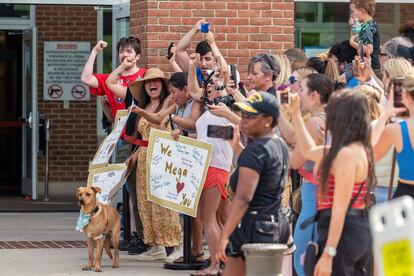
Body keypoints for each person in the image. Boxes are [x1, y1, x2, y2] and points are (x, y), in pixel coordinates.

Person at [287, 89, 375, 275]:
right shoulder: (348, 149)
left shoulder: (347, 154)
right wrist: (295, 113)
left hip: (345, 231)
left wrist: (329, 252)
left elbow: (340, 208)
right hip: (348, 228)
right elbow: (309, 150)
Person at [215, 92, 290, 276]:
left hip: (253, 227)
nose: (243, 120)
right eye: (243, 114)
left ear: (268, 120)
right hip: (272, 223)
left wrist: (224, 236)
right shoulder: (279, 144)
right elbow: (261, 171)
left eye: (250, 116)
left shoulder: (256, 150)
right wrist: (237, 147)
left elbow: (243, 198)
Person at [127, 68, 183, 261]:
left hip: (162, 156)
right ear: (144, 87)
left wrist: (140, 111)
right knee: (145, 203)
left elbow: (159, 120)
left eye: (157, 81)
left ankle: (176, 245)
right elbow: (142, 138)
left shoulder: (169, 102)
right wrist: (133, 157)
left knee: (165, 202)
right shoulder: (144, 106)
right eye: (149, 82)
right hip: (143, 158)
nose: (152, 85)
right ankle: (155, 245)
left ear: (163, 85)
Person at [187, 53, 234, 275]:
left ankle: (216, 265)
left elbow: (227, 137)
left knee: (208, 219)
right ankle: (225, 262)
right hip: (211, 166)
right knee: (220, 219)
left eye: (216, 86)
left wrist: (216, 59)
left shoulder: (226, 108)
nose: (211, 89)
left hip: (214, 168)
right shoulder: (214, 110)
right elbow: (212, 137)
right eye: (209, 87)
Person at [290, 74, 334, 276]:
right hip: (329, 196)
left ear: (314, 95)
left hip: (312, 199)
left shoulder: (314, 122)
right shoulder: (335, 119)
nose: (298, 94)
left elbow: (295, 161)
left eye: (302, 90)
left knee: (303, 259)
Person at [372, 68, 414, 199]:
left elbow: (370, 157)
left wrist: (384, 116)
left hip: (405, 198)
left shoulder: (396, 130)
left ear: (405, 95)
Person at [81, 37, 146, 117]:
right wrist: (95, 51)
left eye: (129, 51)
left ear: (137, 56)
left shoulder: (146, 75)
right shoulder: (110, 79)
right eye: (121, 51)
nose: (124, 54)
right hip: (120, 128)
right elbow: (86, 79)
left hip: (141, 128)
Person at [349, 0, 381, 74]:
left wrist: (352, 43)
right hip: (369, 68)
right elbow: (356, 37)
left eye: (353, 11)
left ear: (362, 11)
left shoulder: (367, 27)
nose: (351, 15)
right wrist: (353, 26)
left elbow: (369, 50)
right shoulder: (366, 24)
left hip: (371, 70)